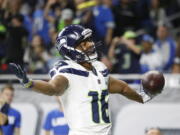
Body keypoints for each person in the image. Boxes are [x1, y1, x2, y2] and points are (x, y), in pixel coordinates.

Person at [10, 24, 155, 135]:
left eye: (89, 40)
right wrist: (30, 83)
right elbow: (53, 88)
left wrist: (143, 97)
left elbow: (122, 88)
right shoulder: (67, 71)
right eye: (84, 43)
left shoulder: (98, 67)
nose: (90, 44)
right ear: (70, 50)